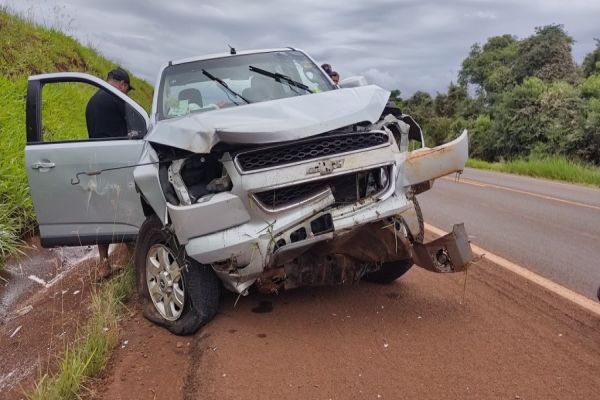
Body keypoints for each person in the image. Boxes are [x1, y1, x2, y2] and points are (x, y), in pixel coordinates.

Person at [85, 68, 134, 279]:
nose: (126, 92)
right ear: (121, 83)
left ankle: (104, 264)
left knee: (102, 214)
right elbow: (131, 132)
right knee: (126, 209)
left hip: (95, 164)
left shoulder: (92, 102)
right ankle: (135, 259)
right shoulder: (117, 100)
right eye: (127, 89)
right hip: (117, 163)